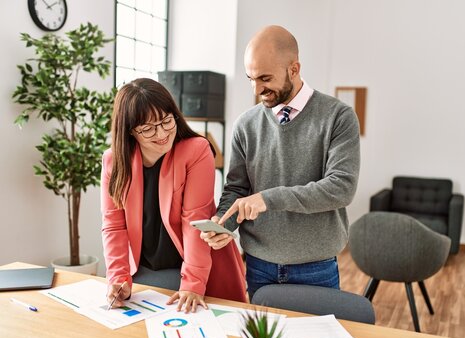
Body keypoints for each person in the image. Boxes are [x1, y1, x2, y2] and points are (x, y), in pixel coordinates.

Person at [201, 25, 360, 299]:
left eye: (265, 78)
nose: (257, 89)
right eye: (251, 79)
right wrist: (223, 224)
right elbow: (236, 190)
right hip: (258, 265)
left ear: (294, 69)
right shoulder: (245, 125)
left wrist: (268, 199)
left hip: (316, 267)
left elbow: (341, 188)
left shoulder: (338, 117)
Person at [101, 78, 247, 312]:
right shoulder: (113, 161)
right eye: (148, 128)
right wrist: (117, 278)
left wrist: (193, 283)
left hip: (198, 267)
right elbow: (114, 225)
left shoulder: (196, 150)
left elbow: (194, 221)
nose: (161, 134)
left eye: (167, 121)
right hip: (148, 271)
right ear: (129, 131)